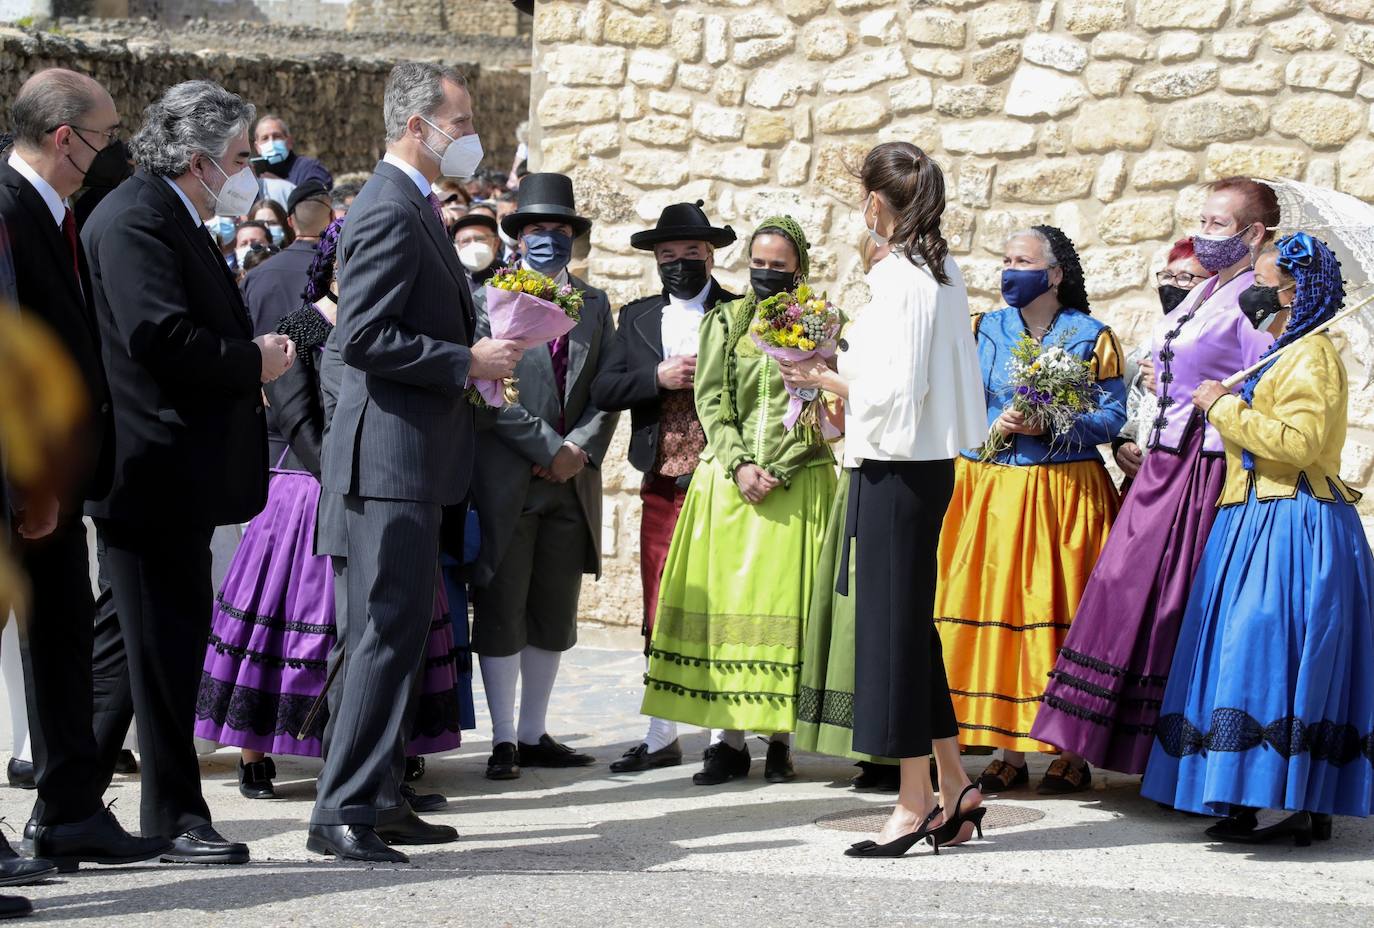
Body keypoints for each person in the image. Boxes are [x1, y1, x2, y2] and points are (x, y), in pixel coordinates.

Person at [308, 62, 520, 864]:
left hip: (414, 454)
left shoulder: (414, 205)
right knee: (382, 633)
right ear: (417, 126)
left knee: (393, 630)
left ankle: (382, 792)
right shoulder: (389, 208)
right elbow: (360, 335)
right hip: (389, 456)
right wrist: (465, 360)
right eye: (461, 123)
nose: (469, 139)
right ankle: (344, 808)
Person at [83, 78, 297, 865]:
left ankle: (67, 804)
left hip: (170, 472)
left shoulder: (168, 213)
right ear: (202, 158)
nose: (250, 169)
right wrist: (255, 361)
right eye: (242, 156)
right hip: (152, 471)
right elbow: (157, 336)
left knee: (123, 651)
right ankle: (171, 815)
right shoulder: (139, 216)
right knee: (166, 651)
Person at [194, 218, 465, 799]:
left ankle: (389, 751)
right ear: (336, 265)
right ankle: (255, 749)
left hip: (379, 485)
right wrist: (341, 473)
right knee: (296, 625)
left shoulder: (382, 325)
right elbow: (294, 413)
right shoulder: (302, 324)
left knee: (388, 621)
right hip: (309, 489)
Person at [779, 142, 987, 857]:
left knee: (893, 636)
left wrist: (817, 375)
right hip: (918, 467)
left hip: (896, 469)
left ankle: (913, 804)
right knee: (910, 630)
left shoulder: (904, 278)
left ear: (876, 203)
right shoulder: (941, 270)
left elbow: (894, 395)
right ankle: (956, 784)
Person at [1029, 178, 1278, 775]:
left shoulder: (1252, 300)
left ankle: (1171, 752)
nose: (1205, 233)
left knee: (1170, 601)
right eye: (1204, 220)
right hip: (1161, 464)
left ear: (1255, 234)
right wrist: (1156, 381)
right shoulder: (1203, 293)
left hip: (1203, 466)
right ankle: (1103, 737)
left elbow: (1258, 386)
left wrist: (1200, 402)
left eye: (1220, 224)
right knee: (1119, 589)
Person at [1143, 233, 1374, 844]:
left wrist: (1222, 409)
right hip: (1248, 520)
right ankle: (1243, 795)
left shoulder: (1312, 355)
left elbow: (1299, 445)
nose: (1255, 292)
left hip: (1293, 523)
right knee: (1236, 655)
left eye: (1265, 282)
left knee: (1275, 653)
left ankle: (1302, 802)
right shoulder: (1279, 349)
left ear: (1293, 291)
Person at [0, 67, 171, 879]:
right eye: (105, 136)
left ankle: (68, 812)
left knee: (64, 641)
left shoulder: (59, 210)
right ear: (64, 138)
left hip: (58, 481)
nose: (115, 152)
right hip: (19, 477)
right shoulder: (3, 208)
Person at [640, 216, 837, 786]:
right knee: (728, 612)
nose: (766, 273)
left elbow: (827, 409)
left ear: (798, 266)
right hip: (730, 484)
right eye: (759, 263)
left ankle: (779, 740)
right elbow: (712, 402)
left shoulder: (823, 322)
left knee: (787, 607)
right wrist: (741, 464)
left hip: (799, 481)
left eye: (778, 265)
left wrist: (782, 464)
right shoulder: (724, 320)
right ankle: (726, 742)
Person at [936, 226, 1127, 796]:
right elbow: (955, 399)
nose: (1008, 269)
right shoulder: (980, 330)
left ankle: (1071, 749)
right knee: (995, 611)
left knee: (1060, 612)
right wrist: (992, 423)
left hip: (1061, 492)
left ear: (1054, 274)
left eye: (1022, 260)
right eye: (1005, 259)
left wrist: (1054, 422)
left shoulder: (1093, 337)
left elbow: (1112, 417)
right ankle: (1005, 748)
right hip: (989, 488)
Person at [470, 172, 619, 780]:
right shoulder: (486, 301)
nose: (548, 240)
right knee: (503, 606)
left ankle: (534, 732)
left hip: (570, 482)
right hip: (509, 475)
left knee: (555, 610)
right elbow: (485, 390)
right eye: (536, 229)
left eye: (559, 230)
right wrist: (545, 446)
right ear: (518, 236)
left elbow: (607, 388)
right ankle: (503, 737)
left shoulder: (595, 305)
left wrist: (577, 450)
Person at [590, 202, 740, 774]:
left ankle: (728, 738)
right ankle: (660, 735)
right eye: (668, 256)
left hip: (723, 479)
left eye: (691, 255)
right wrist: (657, 377)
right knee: (659, 602)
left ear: (710, 256)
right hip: (662, 477)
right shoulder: (637, 318)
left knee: (727, 603)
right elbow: (606, 387)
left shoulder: (740, 313)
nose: (679, 265)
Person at [795, 231, 900, 794]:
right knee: (852, 605)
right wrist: (820, 394)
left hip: (896, 469)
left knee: (879, 606)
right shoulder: (866, 322)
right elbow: (842, 422)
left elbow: (900, 394)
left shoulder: (911, 316)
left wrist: (832, 380)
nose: (877, 266)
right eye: (872, 258)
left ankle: (892, 744)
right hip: (859, 466)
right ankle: (865, 742)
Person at [1113, 239, 1213, 493]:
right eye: (1167, 276)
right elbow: (1127, 408)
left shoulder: (1223, 347)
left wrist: (1176, 391)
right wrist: (1123, 446)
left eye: (1186, 277)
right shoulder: (1148, 346)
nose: (1171, 285)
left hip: (1195, 477)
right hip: (1144, 481)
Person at [243, 180, 334, 335]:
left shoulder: (254, 277)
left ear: (290, 222)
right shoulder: (342, 270)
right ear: (332, 217)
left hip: (267, 358)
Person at [253, 114, 333, 189]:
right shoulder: (251, 174)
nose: (271, 142)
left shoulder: (309, 168)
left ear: (289, 142)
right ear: (257, 147)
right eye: (265, 138)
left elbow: (318, 196)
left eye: (277, 136)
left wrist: (281, 186)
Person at [452, 211, 502, 288]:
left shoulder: (511, 276)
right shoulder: (451, 280)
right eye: (465, 241)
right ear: (456, 248)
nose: (473, 245)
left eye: (480, 239)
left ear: (496, 243)